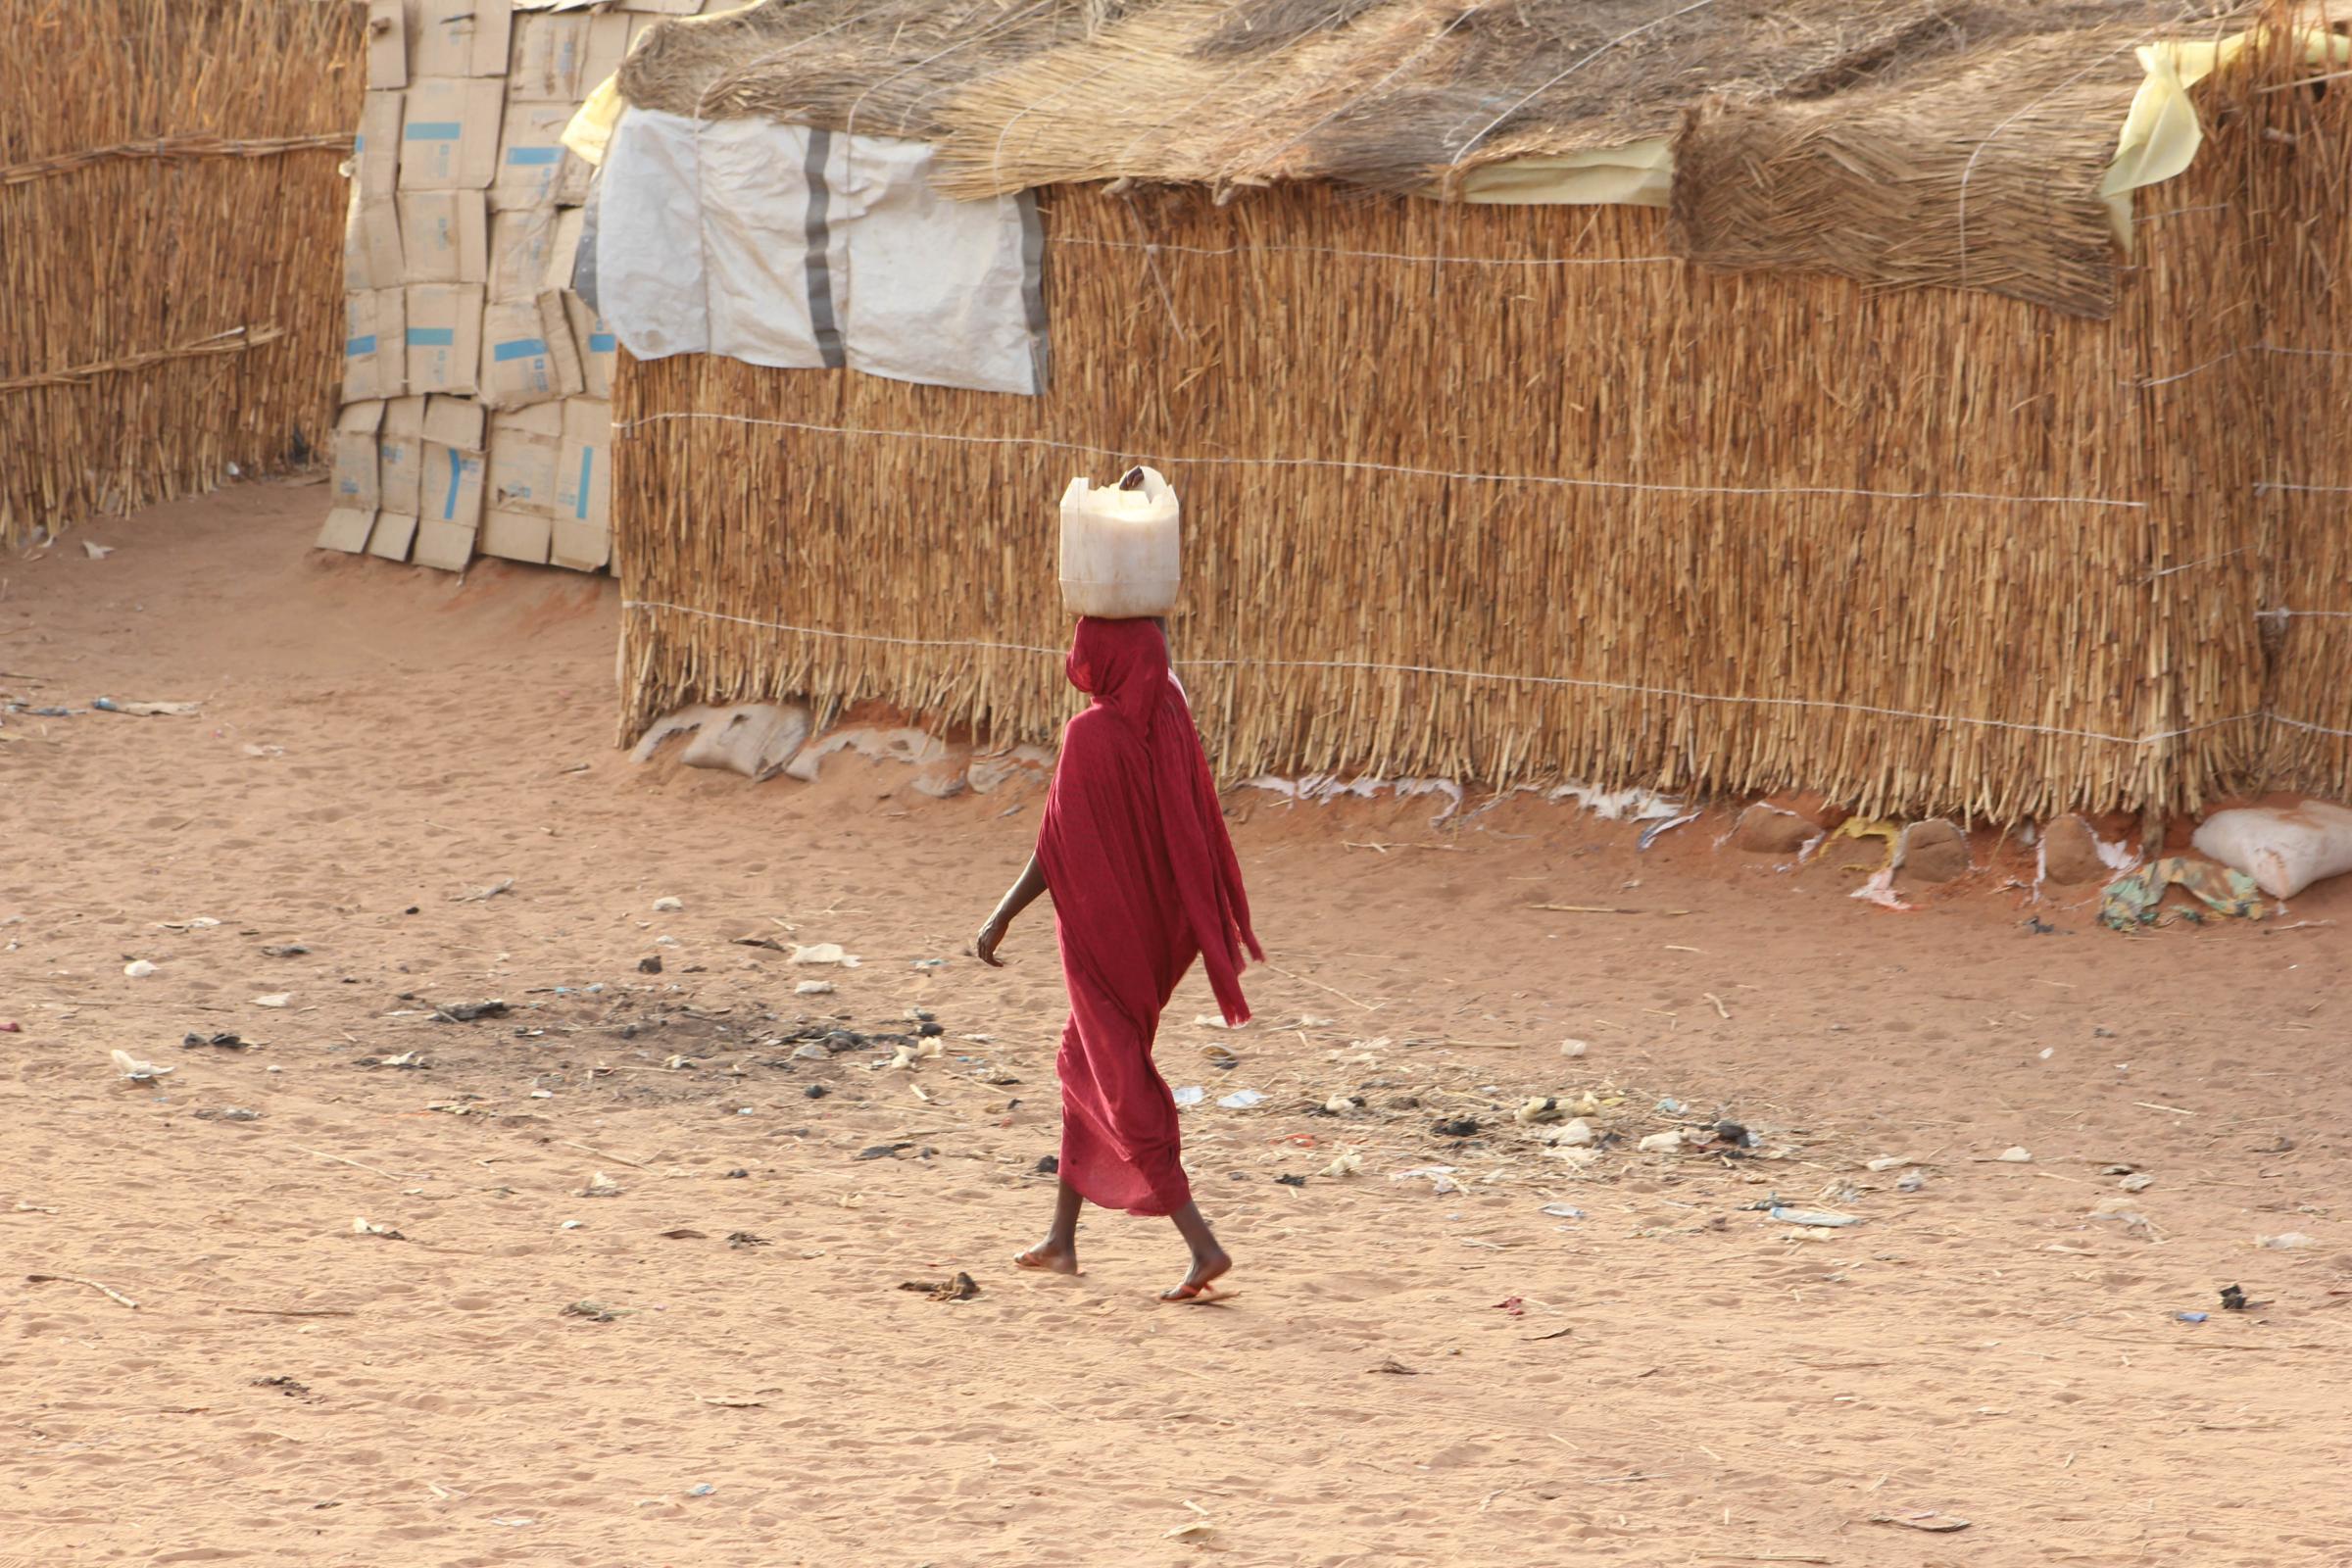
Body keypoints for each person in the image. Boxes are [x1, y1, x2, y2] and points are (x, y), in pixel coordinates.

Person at [975, 614, 1262, 1301]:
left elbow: (1056, 846)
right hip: (1162, 933)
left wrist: (1002, 914)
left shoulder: (1090, 735)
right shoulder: (1169, 715)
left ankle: (1202, 1245)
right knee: (1083, 1061)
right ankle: (1062, 1239)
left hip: (1105, 935)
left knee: (1118, 1075)